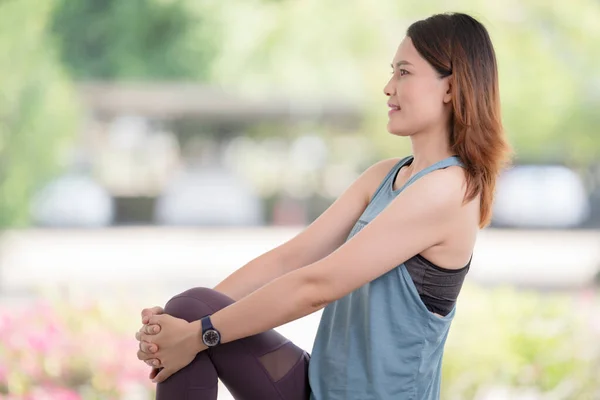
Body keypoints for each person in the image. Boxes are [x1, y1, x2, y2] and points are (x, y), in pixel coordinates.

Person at [135, 12, 511, 400]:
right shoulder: (384, 176)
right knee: (188, 308)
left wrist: (199, 333)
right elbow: (291, 258)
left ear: (450, 87)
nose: (388, 87)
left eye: (403, 73)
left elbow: (318, 285)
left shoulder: (448, 189)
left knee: (195, 324)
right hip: (318, 390)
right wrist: (178, 329)